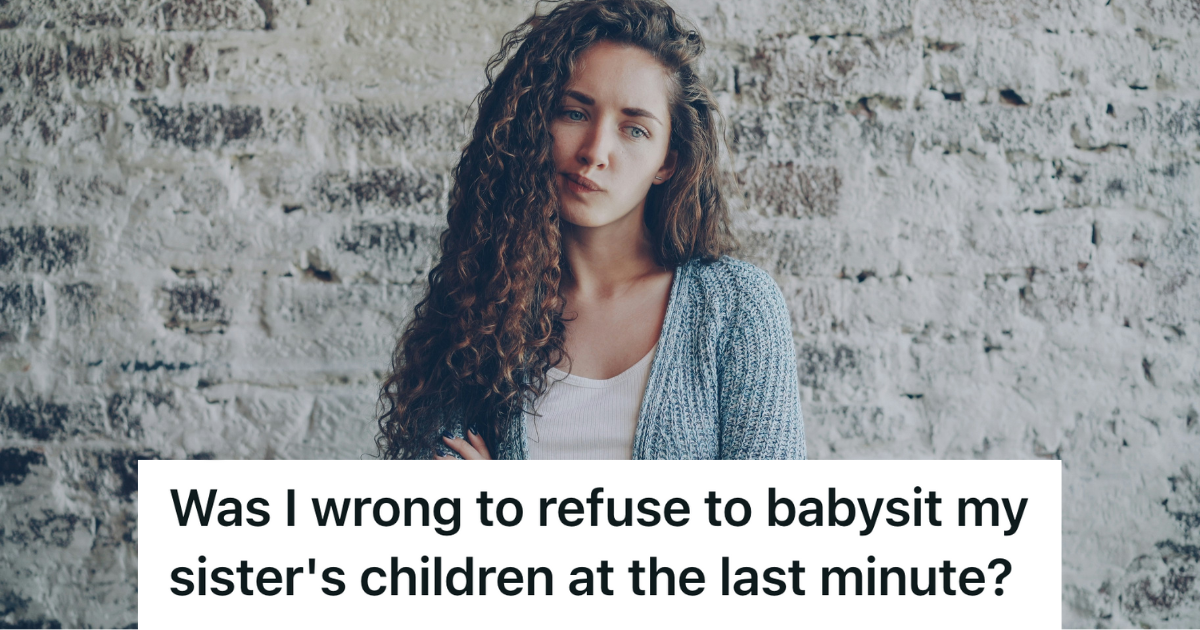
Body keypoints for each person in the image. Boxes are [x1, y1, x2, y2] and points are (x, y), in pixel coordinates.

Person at [375, 0, 805, 460]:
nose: (595, 151)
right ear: (535, 123)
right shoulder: (479, 309)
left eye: (634, 129)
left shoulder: (735, 306)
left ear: (668, 161)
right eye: (574, 113)